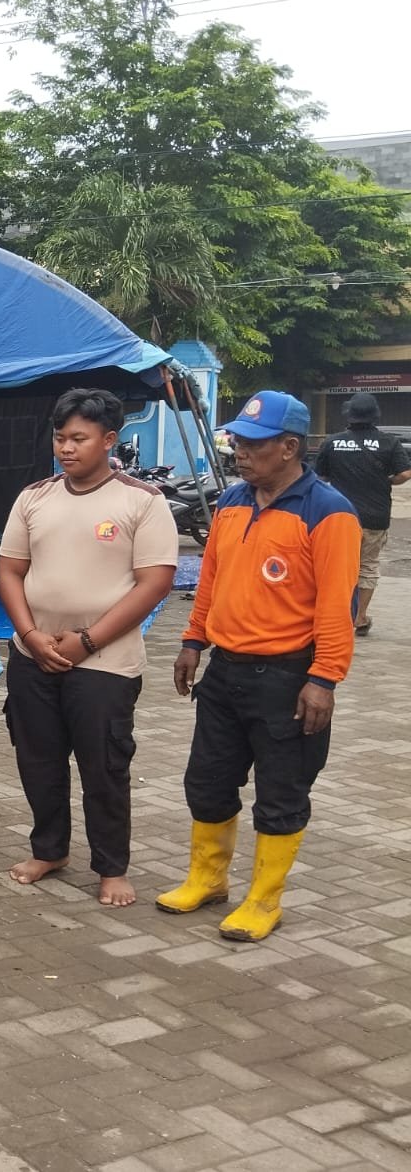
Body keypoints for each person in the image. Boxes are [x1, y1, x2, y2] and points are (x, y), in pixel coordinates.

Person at [156, 390, 359, 942]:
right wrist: (193, 641)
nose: (238, 452)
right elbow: (211, 580)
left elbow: (337, 606)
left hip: (290, 679)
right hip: (226, 672)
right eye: (237, 441)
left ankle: (264, 900)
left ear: (289, 447)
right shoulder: (231, 503)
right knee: (208, 781)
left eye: (252, 444)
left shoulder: (329, 513)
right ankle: (208, 880)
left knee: (281, 793)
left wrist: (324, 679)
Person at [0, 389, 177, 908]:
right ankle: (49, 849)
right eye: (60, 437)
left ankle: (111, 867)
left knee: (103, 766)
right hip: (33, 655)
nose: (67, 448)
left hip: (105, 662)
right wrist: (31, 636)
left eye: (79, 438)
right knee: (39, 760)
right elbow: (9, 570)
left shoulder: (141, 500)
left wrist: (88, 640)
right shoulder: (34, 496)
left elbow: (155, 582)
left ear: (109, 439)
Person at [314, 391, 411, 636]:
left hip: (338, 516)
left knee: (334, 566)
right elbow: (405, 473)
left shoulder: (333, 442)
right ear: (375, 416)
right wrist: (386, 480)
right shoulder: (389, 442)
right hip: (375, 517)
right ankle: (358, 617)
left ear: (349, 414)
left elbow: (321, 477)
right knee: (367, 566)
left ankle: (330, 615)